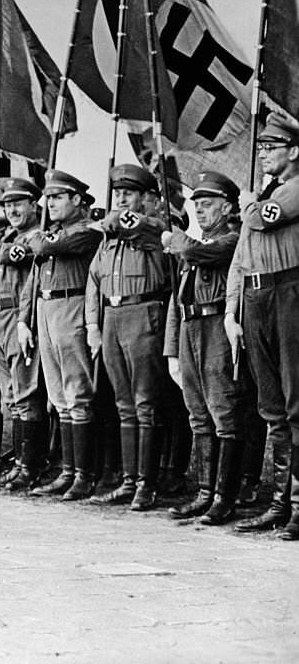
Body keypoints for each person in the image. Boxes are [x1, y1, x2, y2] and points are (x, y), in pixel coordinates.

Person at [226, 113, 299, 539]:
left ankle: (297, 506)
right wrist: (234, 308)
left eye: (272, 147)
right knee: (270, 405)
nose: (264, 153)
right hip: (257, 295)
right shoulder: (265, 194)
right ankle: (279, 501)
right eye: (263, 146)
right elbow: (243, 253)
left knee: (295, 402)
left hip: (288, 290)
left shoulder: (289, 191)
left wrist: (249, 203)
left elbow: (263, 219)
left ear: (294, 151)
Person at [86, 164, 171, 511]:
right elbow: (95, 279)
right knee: (124, 405)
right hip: (113, 316)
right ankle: (129, 480)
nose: (121, 199)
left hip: (143, 314)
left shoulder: (152, 229)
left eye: (129, 193)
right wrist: (93, 325)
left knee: (145, 403)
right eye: (117, 193)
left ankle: (147, 485)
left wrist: (114, 220)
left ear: (147, 198)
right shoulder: (109, 241)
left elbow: (133, 224)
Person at [162, 172, 245, 525]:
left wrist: (173, 238)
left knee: (223, 411)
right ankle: (205, 492)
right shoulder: (195, 244)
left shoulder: (232, 240)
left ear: (227, 207)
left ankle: (225, 498)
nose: (200, 211)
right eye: (196, 204)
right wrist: (172, 349)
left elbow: (197, 251)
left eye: (208, 204)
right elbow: (176, 301)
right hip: (190, 326)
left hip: (215, 328)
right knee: (198, 413)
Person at [18, 171, 103, 500]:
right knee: (58, 397)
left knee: (77, 392)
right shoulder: (50, 236)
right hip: (46, 307)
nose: (49, 204)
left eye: (57, 198)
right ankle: (67, 471)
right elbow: (33, 280)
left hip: (73, 305)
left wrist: (39, 239)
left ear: (77, 200)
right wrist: (25, 319)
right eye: (48, 198)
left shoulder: (85, 231)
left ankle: (84, 475)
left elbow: (40, 245)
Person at [0, 179, 47, 491]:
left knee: (26, 394)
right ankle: (19, 464)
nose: (13, 210)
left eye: (19, 203)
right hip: (0, 318)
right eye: (7, 205)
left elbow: (10, 256)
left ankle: (31, 466)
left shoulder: (36, 237)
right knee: (12, 398)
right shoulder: (5, 238)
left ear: (34, 204)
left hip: (22, 317)